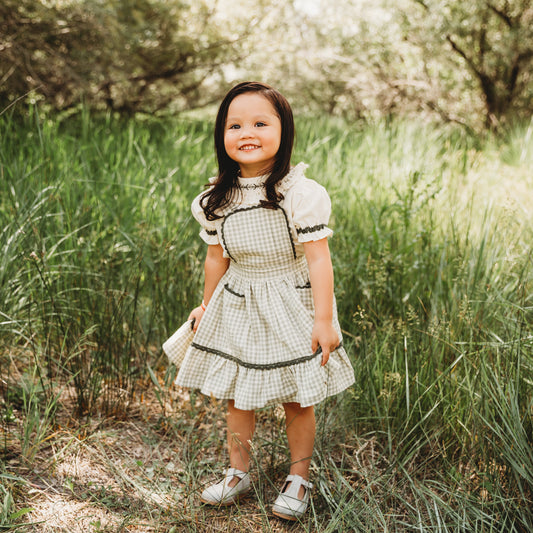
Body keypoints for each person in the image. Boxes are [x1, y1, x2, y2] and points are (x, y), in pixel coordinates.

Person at [174, 81, 355, 521]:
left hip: (289, 300)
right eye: (234, 125)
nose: (246, 132)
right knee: (240, 397)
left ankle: (299, 478)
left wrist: (324, 319)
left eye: (260, 122)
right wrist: (205, 303)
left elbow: (318, 260)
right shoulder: (217, 198)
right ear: (222, 135)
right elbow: (216, 258)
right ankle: (239, 473)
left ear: (283, 130)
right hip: (238, 301)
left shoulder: (298, 192)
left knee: (297, 398)